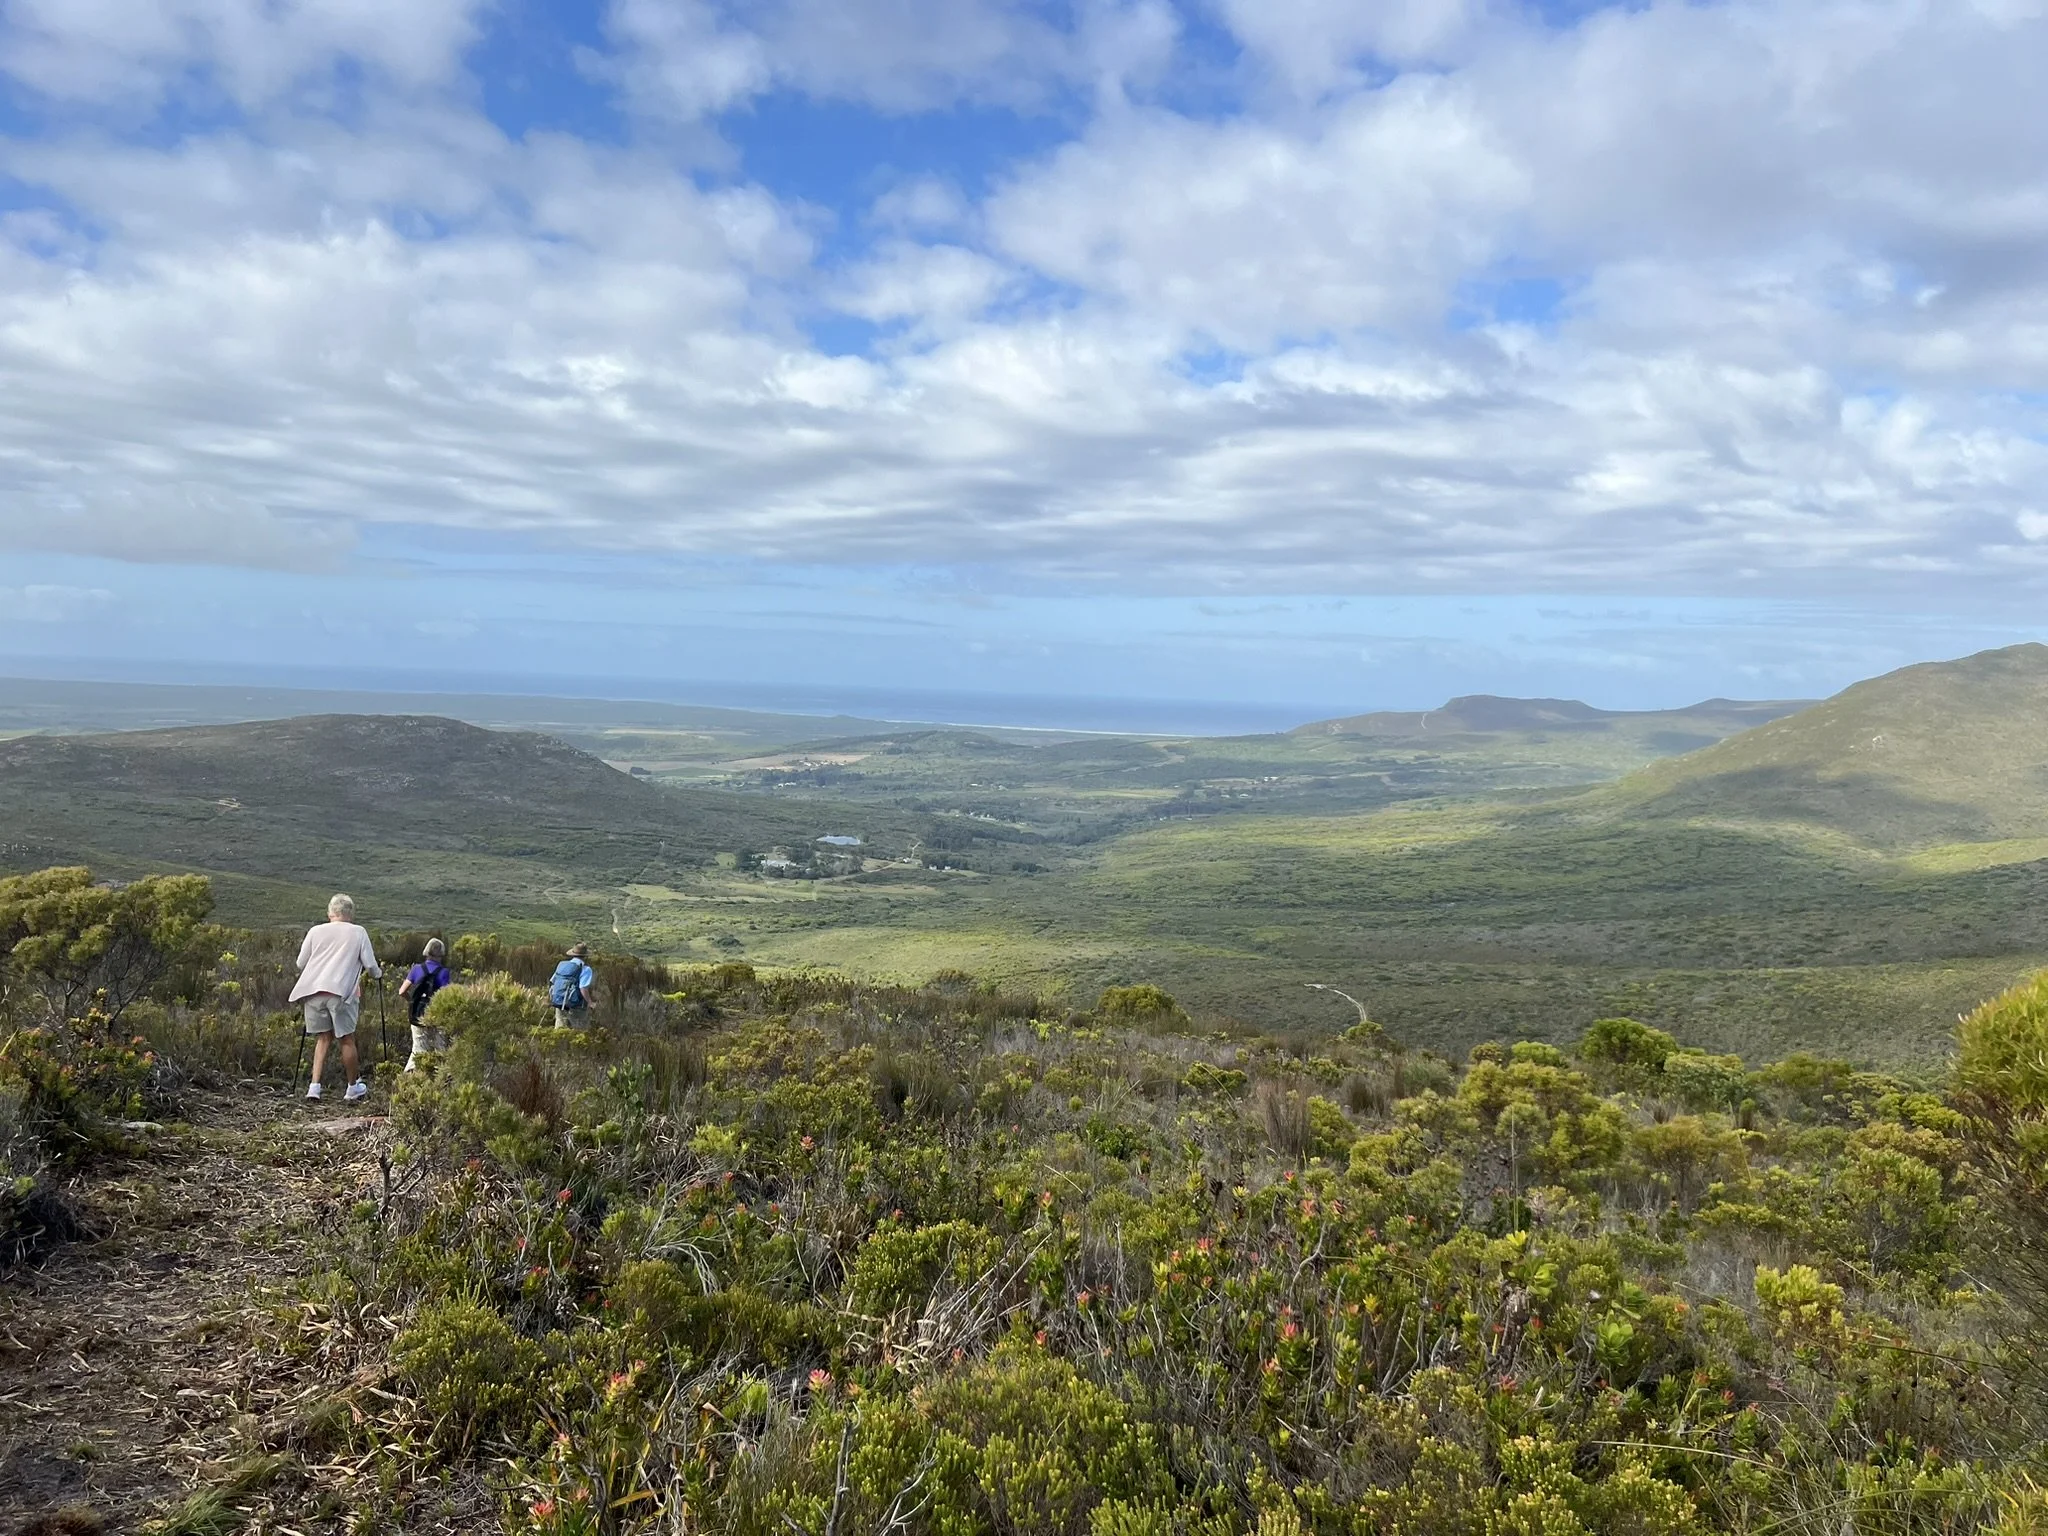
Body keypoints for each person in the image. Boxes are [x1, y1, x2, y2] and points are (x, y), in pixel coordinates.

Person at [291, 893, 382, 1102]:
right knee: (346, 1039)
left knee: (323, 1038)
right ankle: (352, 1088)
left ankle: (314, 1087)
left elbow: (300, 963)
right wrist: (378, 975)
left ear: (330, 912)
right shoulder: (358, 932)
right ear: (351, 913)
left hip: (313, 992)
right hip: (341, 993)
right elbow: (370, 965)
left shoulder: (315, 931)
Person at [399, 937, 453, 1071]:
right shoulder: (444, 973)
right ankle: (439, 1080)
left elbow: (402, 991)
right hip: (436, 1017)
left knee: (417, 1050)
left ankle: (407, 1079)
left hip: (417, 1016)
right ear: (441, 954)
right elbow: (446, 997)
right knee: (440, 1050)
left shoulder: (416, 969)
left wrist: (412, 1002)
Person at [549, 942, 594, 1028]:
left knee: (560, 1027)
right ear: (585, 956)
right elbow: (583, 988)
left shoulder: (561, 965)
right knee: (578, 1030)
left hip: (559, 1001)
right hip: (576, 1005)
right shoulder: (585, 969)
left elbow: (553, 981)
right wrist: (590, 1003)